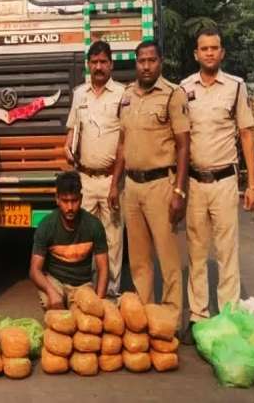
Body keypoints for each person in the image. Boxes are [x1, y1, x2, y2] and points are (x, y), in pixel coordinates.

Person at [180, 26, 254, 342]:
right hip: (195, 183)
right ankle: (198, 317)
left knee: (227, 253)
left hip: (225, 181)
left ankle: (229, 317)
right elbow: (180, 138)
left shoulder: (236, 87)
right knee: (196, 253)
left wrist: (253, 184)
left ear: (222, 53)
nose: (210, 53)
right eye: (204, 48)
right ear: (196, 54)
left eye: (214, 48)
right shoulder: (184, 89)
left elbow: (247, 135)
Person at [108, 40, 190, 319]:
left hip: (160, 185)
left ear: (160, 62)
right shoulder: (127, 95)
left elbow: (183, 146)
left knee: (168, 258)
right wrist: (114, 184)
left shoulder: (173, 95)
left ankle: (171, 320)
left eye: (151, 60)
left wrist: (179, 191)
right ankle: (146, 317)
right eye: (141, 61)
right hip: (132, 187)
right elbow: (122, 144)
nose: (146, 66)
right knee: (139, 260)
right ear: (136, 63)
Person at [64, 41, 124, 298]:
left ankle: (111, 291)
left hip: (112, 179)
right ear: (88, 65)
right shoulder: (80, 94)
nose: (99, 67)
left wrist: (115, 184)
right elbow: (72, 129)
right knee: (82, 235)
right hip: (85, 178)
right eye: (94, 62)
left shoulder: (122, 94)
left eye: (103, 62)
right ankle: (83, 291)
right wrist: (67, 146)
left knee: (112, 238)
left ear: (111, 65)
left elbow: (124, 142)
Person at [29, 171, 109, 310]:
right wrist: (52, 292)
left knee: (87, 316)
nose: (70, 207)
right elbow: (34, 270)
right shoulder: (46, 226)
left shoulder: (94, 225)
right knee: (50, 303)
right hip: (56, 282)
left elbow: (103, 268)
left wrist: (99, 301)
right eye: (65, 201)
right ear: (57, 199)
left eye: (74, 201)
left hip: (82, 285)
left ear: (81, 199)